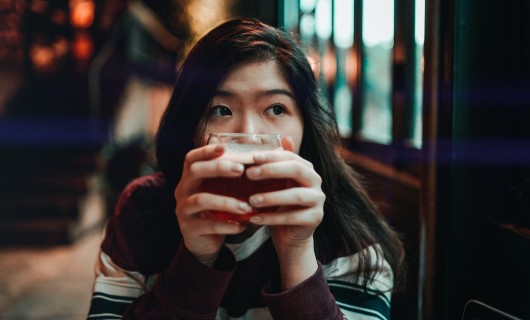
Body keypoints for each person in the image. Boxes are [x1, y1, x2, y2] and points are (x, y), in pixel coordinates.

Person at [87, 18, 405, 320]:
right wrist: (196, 261)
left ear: (307, 126)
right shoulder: (143, 211)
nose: (249, 136)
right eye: (221, 110)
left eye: (276, 108)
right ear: (191, 128)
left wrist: (297, 253)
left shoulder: (351, 238)